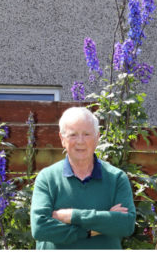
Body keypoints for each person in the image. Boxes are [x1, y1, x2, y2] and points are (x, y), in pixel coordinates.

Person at [30, 107, 136, 249]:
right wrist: (92, 230)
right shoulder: (47, 178)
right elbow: (39, 228)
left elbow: (126, 225)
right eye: (73, 135)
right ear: (62, 139)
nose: (80, 141)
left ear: (97, 137)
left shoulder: (116, 178)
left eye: (86, 134)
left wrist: (73, 216)